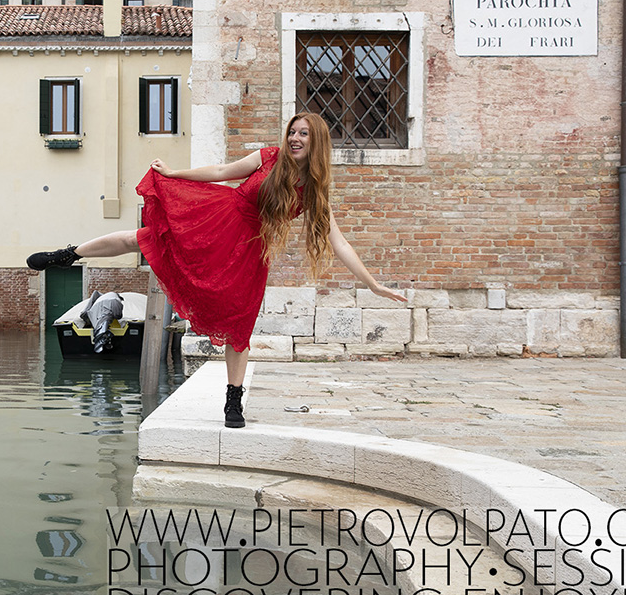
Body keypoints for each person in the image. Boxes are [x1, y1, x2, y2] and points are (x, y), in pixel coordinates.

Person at [27, 111, 407, 428]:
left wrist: (372, 285)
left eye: (303, 134)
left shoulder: (314, 192)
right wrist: (176, 174)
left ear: (317, 141)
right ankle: (67, 254)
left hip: (247, 252)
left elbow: (338, 243)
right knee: (141, 238)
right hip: (216, 217)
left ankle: (233, 402)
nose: (294, 138)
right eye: (292, 131)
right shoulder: (269, 157)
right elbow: (223, 170)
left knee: (240, 326)